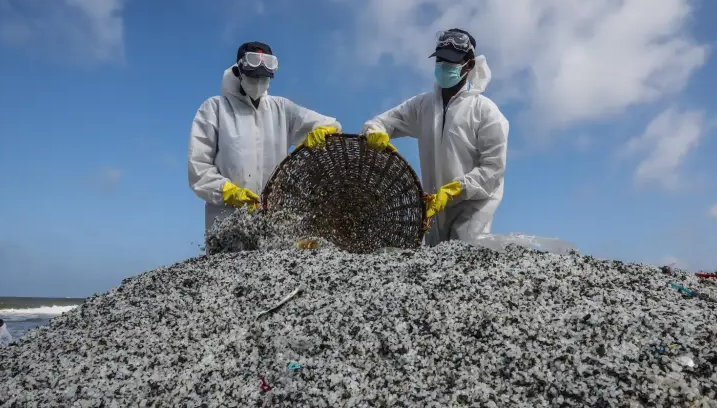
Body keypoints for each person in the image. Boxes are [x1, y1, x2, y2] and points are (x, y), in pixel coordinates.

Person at [363, 29, 509, 246]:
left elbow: (493, 167)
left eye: (451, 61)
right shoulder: (422, 106)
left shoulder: (486, 111)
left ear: (468, 65)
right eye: (440, 60)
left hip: (473, 205)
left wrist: (456, 189)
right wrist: (375, 133)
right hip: (434, 204)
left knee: (464, 258)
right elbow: (380, 123)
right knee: (435, 267)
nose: (444, 66)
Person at [188, 41, 342, 233]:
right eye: (253, 78)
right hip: (226, 220)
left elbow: (331, 125)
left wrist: (324, 131)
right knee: (229, 261)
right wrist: (226, 191)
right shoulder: (215, 109)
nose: (259, 83)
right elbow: (198, 168)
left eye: (264, 78)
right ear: (238, 72)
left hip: (274, 220)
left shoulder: (282, 109)